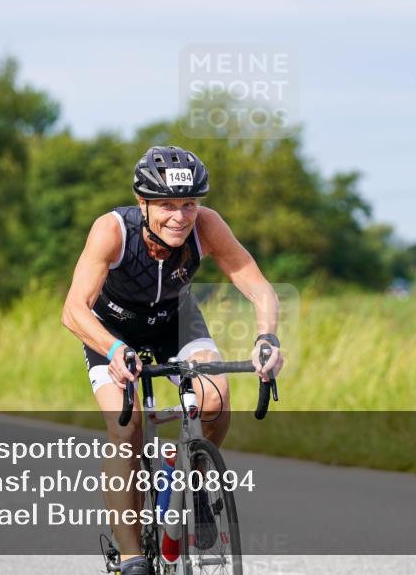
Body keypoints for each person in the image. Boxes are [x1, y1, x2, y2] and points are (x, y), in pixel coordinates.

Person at [62, 145, 284, 575]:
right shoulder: (112, 230)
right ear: (142, 202)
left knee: (216, 397)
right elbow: (73, 309)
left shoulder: (208, 227)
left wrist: (267, 338)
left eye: (189, 204)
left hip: (175, 322)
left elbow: (260, 288)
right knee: (127, 427)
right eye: (166, 205)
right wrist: (112, 349)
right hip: (112, 331)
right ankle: (131, 556)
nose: (180, 217)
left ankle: (195, 479)